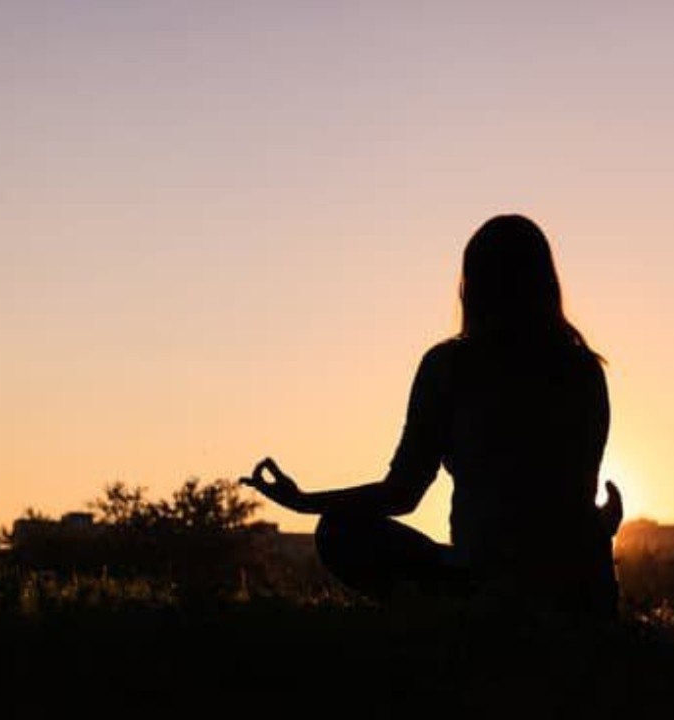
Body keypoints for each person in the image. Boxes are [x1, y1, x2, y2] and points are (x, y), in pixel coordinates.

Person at [241, 214, 623, 617]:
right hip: (581, 595)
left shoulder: (451, 365)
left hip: (488, 585)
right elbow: (564, 498)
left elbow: (402, 493)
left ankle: (446, 613)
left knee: (340, 531)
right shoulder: (583, 369)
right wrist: (600, 523)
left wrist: (302, 502)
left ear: (472, 287)